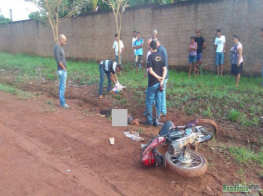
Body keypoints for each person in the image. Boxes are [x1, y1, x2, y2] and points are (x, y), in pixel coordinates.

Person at [143, 41, 167, 126]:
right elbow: (165, 69)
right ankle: (157, 121)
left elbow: (150, 71)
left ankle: (149, 121)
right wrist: (162, 79)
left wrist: (157, 77)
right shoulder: (161, 56)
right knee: (158, 101)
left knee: (149, 101)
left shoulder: (150, 57)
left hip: (152, 83)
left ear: (151, 47)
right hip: (160, 83)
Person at [54, 34, 70, 109]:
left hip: (62, 70)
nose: (65, 43)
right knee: (62, 87)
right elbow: (58, 60)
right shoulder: (57, 47)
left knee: (62, 86)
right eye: (64, 41)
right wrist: (64, 68)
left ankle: (62, 103)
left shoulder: (60, 47)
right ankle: (62, 104)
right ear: (61, 40)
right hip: (61, 70)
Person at [156, 40, 169, 116]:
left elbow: (159, 63)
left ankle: (163, 111)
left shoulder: (160, 50)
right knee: (161, 93)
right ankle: (162, 110)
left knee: (161, 94)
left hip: (163, 76)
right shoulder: (162, 49)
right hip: (164, 75)